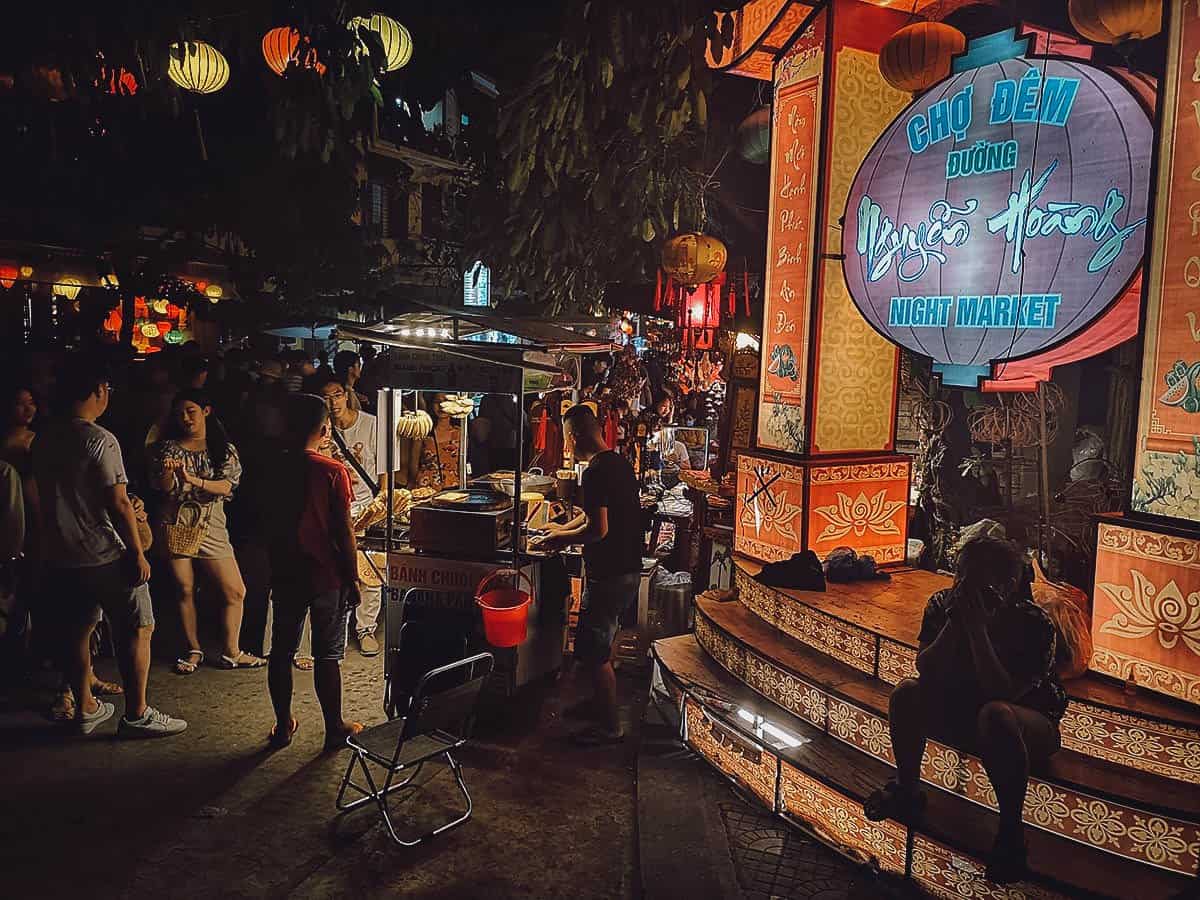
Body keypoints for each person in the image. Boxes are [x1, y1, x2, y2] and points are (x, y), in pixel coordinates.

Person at [863, 536, 1066, 884]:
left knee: (996, 714)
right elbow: (925, 667)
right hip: (965, 707)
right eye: (963, 578)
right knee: (906, 693)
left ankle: (1010, 831)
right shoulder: (943, 604)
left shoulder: (1035, 623)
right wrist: (957, 624)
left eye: (981, 582)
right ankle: (908, 790)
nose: (967, 589)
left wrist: (977, 632)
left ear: (1009, 584)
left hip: (1028, 722)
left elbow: (1001, 691)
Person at [29, 357, 186, 737]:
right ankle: (137, 713)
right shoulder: (99, 439)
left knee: (77, 630)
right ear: (99, 390)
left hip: (61, 554)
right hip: (103, 552)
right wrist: (136, 551)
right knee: (138, 627)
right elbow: (117, 501)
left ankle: (84, 707)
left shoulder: (45, 437)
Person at [264, 393, 363, 750]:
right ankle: (333, 726)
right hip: (327, 576)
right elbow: (344, 531)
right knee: (327, 655)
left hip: (286, 572)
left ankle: (282, 724)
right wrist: (353, 577)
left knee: (281, 651)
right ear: (325, 430)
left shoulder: (271, 467)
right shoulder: (332, 471)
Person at [538, 404, 643, 746]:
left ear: (575, 436)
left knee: (594, 651)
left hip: (609, 574)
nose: (567, 446)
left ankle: (610, 726)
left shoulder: (595, 472)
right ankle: (599, 705)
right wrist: (559, 527)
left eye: (567, 439)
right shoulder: (619, 464)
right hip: (626, 570)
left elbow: (598, 529)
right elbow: (588, 516)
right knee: (603, 642)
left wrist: (559, 538)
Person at [150, 390, 265, 673]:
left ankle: (231, 651)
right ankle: (193, 649)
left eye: (191, 411)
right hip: (176, 522)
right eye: (180, 413)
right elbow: (162, 489)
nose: (185, 418)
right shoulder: (168, 449)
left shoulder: (222, 449)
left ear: (206, 411)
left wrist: (193, 479)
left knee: (235, 590)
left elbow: (227, 487)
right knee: (184, 588)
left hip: (211, 523)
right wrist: (168, 474)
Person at [318, 376, 391, 656]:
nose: (332, 402)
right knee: (338, 570)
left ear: (346, 394)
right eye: (326, 397)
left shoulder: (371, 424)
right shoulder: (322, 430)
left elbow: (384, 466)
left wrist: (382, 498)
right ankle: (337, 630)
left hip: (368, 504)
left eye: (336, 395)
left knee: (370, 570)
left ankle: (366, 628)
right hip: (336, 508)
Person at [416, 394, 463, 491]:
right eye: (437, 402)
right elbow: (413, 464)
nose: (441, 405)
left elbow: (462, 463)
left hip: (453, 486)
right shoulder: (423, 431)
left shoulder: (460, 433)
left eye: (446, 401)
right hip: (426, 487)